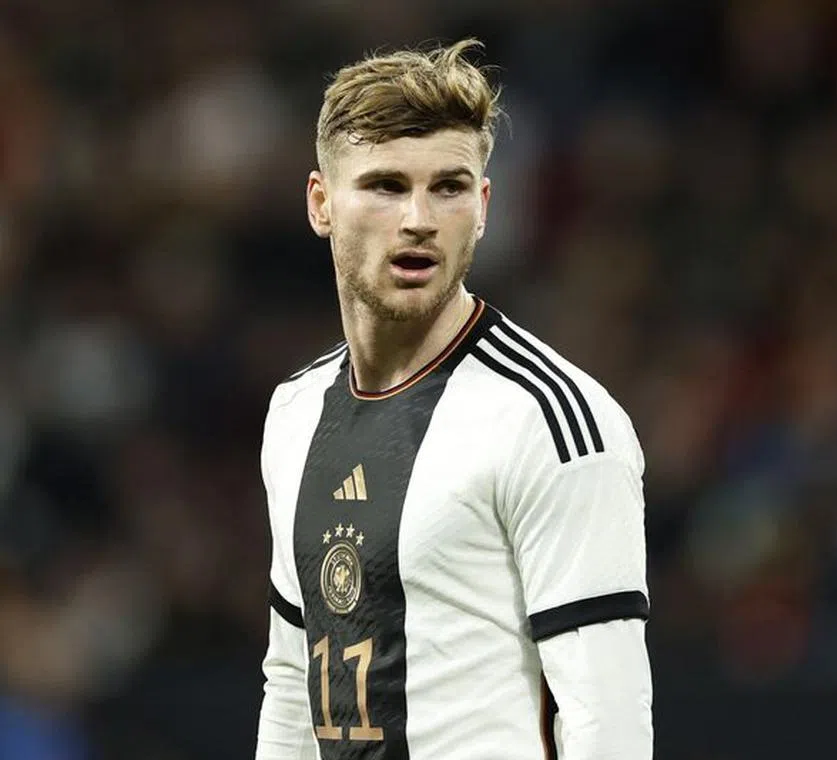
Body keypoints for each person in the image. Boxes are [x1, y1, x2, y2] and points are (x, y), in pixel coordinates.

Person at [254, 39, 652, 760]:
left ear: (484, 206)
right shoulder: (295, 412)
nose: (419, 218)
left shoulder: (549, 419)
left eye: (449, 186)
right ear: (321, 204)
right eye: (384, 186)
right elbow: (292, 685)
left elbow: (609, 721)